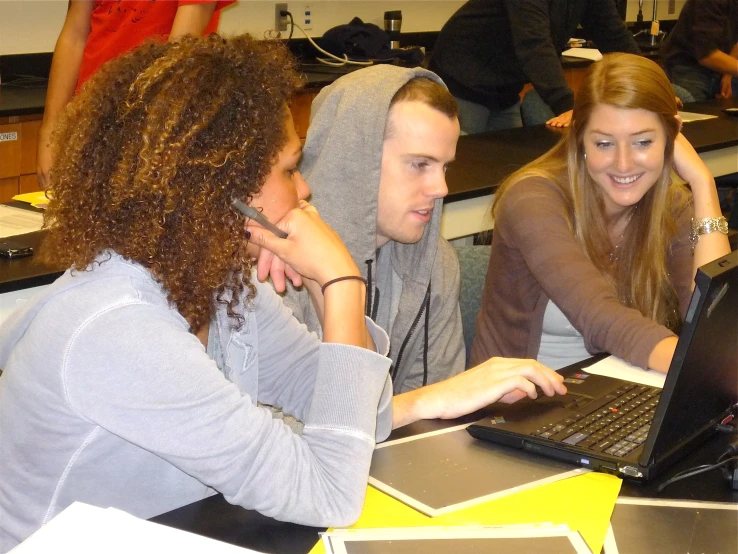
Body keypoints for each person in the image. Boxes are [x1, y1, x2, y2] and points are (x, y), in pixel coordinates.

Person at [0, 35, 567, 552]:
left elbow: (345, 410)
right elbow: (327, 493)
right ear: (223, 189)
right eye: (290, 170)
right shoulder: (120, 332)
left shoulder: (220, 287)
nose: (305, 188)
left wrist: (329, 295)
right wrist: (341, 283)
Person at [471, 53, 731, 373]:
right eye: (604, 144)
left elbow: (710, 315)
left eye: (642, 142)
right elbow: (600, 318)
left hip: (619, 392)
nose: (623, 164)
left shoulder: (669, 204)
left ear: (673, 135)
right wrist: (703, 366)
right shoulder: (532, 200)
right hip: (519, 406)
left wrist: (702, 183)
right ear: (580, 137)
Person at [283, 66, 466, 395]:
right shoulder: (278, 270)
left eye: (445, 166)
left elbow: (438, 415)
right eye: (419, 164)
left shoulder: (436, 262)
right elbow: (279, 432)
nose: (441, 188)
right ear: (356, 161)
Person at [36, 0, 233, 189]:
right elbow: (75, 36)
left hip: (158, 127)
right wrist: (50, 135)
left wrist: (143, 141)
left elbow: (177, 50)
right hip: (92, 120)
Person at [428, 0, 640, 133]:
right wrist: (568, 107)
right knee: (461, 169)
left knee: (507, 169)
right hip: (462, 76)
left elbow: (614, 34)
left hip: (504, 86)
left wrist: (656, 84)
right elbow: (533, 44)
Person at [661, 0, 738, 103]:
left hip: (719, 72)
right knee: (692, 114)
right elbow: (707, 55)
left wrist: (728, 73)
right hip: (689, 70)